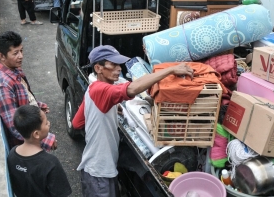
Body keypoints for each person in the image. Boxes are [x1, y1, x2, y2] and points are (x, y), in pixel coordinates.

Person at [72, 46, 193, 197]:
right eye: (113, 65)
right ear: (98, 68)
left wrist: (108, 110)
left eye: (119, 65)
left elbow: (77, 123)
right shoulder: (100, 90)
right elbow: (131, 89)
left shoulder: (92, 89)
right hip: (99, 173)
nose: (118, 69)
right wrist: (171, 70)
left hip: (97, 168)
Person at [0, 32, 54, 153]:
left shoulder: (14, 69)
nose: (21, 56)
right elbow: (15, 125)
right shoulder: (3, 86)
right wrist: (47, 140)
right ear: (2, 56)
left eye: (21, 51)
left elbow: (21, 95)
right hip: (27, 148)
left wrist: (37, 106)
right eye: (15, 53)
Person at [7, 105, 72, 197]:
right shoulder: (50, 163)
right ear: (36, 134)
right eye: (46, 123)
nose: (49, 123)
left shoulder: (12, 154)